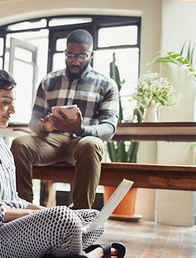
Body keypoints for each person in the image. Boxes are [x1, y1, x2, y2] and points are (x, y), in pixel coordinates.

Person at [0, 66, 125, 258]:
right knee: (63, 218)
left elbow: (13, 200)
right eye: (5, 102)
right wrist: (37, 216)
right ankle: (81, 256)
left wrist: (44, 211)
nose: (12, 110)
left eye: (12, 102)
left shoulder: (2, 145)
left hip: (12, 233)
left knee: (94, 217)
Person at [10, 29, 119, 209]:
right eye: (70, 55)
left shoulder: (106, 84)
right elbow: (34, 119)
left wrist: (81, 129)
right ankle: (24, 208)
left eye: (82, 56)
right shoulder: (48, 81)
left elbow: (109, 127)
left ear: (91, 54)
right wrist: (44, 126)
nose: (75, 61)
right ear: (65, 52)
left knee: (91, 144)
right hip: (52, 141)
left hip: (84, 141)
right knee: (20, 144)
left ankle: (81, 214)